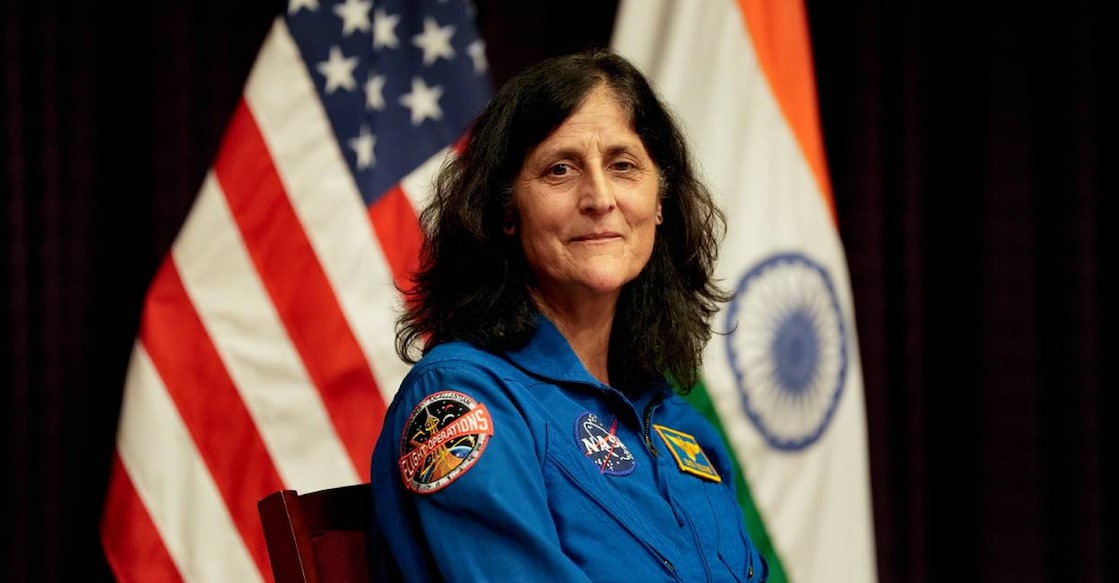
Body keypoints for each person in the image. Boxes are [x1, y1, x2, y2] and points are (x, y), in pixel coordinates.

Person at [369, 48, 769, 582]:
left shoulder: (682, 426)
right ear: (506, 209)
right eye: (560, 170)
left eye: (623, 166)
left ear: (659, 202)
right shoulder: (462, 401)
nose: (600, 197)